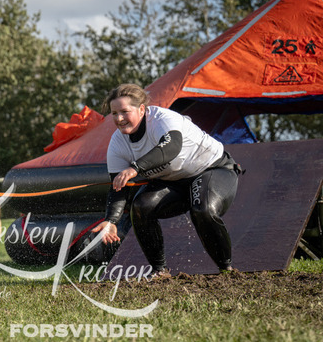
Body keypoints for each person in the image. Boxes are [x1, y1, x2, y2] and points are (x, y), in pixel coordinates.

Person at [91, 83, 242, 277]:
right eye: (114, 113)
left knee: (202, 209)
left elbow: (171, 148)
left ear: (141, 109)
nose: (119, 119)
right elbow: (119, 186)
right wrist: (111, 220)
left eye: (125, 112)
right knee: (141, 207)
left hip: (212, 169)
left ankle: (227, 271)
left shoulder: (162, 119)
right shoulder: (117, 143)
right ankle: (160, 272)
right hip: (174, 182)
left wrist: (135, 168)